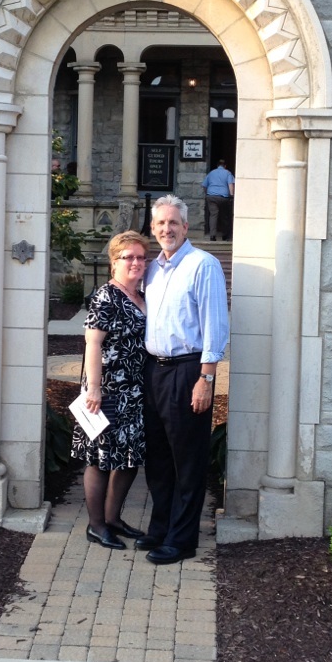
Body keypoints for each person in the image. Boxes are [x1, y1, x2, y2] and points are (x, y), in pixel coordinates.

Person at [137, 194, 229, 565]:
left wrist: (206, 379)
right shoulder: (152, 269)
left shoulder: (202, 265)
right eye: (160, 223)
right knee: (158, 458)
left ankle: (182, 539)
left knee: (187, 459)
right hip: (153, 371)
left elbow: (215, 326)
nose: (167, 229)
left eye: (173, 222)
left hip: (188, 371)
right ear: (153, 228)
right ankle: (161, 527)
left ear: (186, 227)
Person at [71, 231, 150, 550]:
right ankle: (96, 526)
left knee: (129, 458)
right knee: (100, 459)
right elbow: (93, 342)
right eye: (128, 257)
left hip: (136, 392)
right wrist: (93, 389)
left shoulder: (142, 296)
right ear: (114, 262)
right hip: (106, 391)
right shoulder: (107, 295)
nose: (136, 262)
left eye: (141, 257)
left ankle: (113, 519)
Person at [202, 159, 235, 241]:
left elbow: (204, 185)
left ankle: (212, 236)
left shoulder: (211, 173)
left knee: (213, 215)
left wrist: (207, 193)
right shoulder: (228, 173)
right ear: (225, 166)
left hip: (211, 196)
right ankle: (225, 235)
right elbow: (230, 184)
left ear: (217, 165)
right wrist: (231, 195)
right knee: (224, 216)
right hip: (224, 197)